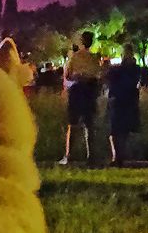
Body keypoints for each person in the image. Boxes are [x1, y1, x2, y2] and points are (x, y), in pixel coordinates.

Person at [60, 31, 103, 165]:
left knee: (72, 124)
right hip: (89, 91)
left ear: (81, 41)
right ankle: (91, 157)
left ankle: (69, 156)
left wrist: (78, 77)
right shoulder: (94, 58)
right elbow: (98, 76)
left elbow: (67, 75)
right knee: (89, 125)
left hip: (77, 90)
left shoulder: (75, 57)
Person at [106, 44, 143, 166]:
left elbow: (110, 80)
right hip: (130, 100)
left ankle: (117, 157)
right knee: (124, 130)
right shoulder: (136, 69)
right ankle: (121, 155)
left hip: (118, 100)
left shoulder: (117, 70)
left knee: (114, 130)